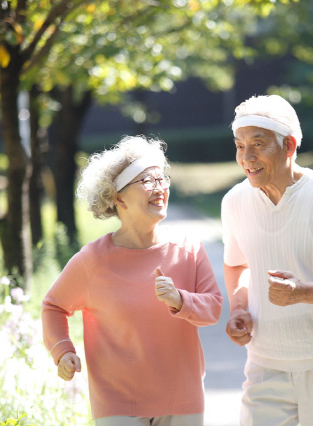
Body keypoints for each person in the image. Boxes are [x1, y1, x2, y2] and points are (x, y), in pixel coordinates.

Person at [42, 135, 223, 426]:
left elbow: (213, 308)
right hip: (117, 399)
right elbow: (53, 306)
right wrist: (62, 350)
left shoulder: (188, 248)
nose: (160, 187)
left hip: (182, 394)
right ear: (118, 197)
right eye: (147, 181)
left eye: (162, 178)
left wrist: (180, 300)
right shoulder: (92, 261)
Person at [221, 95, 313, 426]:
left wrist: (302, 292)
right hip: (266, 363)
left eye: (258, 144)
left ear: (289, 146)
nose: (246, 157)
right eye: (239, 145)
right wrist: (239, 308)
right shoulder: (234, 202)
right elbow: (237, 265)